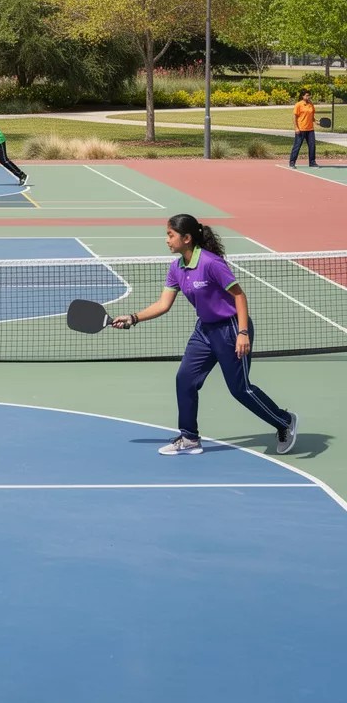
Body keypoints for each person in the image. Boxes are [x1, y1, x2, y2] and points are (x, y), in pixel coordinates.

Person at [111, 214, 297, 457]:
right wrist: (133, 318)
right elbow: (163, 304)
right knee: (185, 380)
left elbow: (239, 296)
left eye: (170, 235)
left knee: (240, 389)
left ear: (186, 238)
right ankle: (189, 437)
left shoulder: (211, 263)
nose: (167, 240)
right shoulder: (176, 267)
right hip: (205, 330)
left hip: (230, 328)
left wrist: (242, 333)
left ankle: (284, 421)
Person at [290, 89, 317, 168]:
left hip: (310, 129)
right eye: (307, 95)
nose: (308, 97)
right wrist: (296, 128)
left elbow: (311, 116)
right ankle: (292, 162)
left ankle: (312, 162)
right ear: (303, 96)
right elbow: (294, 117)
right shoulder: (298, 105)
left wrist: (315, 121)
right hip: (301, 129)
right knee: (297, 146)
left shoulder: (311, 104)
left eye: (309, 95)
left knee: (312, 146)